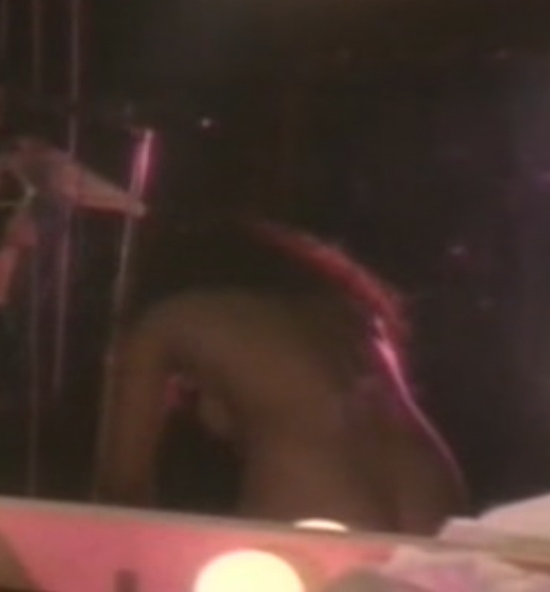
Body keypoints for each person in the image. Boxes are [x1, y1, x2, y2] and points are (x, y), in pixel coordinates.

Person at [93, 218, 468, 534]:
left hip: (319, 506)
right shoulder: (354, 317)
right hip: (436, 505)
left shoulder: (169, 319)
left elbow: (123, 487)